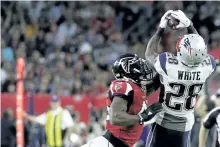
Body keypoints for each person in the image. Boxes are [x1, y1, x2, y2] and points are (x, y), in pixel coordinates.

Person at [144, 10, 217, 147]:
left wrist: (160, 29)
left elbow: (149, 54)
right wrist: (189, 25)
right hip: (185, 125)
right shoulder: (207, 66)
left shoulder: (168, 64)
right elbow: (197, 45)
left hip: (163, 121)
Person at [81, 53, 163, 147]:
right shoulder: (124, 85)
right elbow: (115, 117)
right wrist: (142, 117)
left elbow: (151, 87)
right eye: (136, 63)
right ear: (126, 68)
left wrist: (164, 71)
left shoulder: (135, 89)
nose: (141, 66)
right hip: (111, 143)